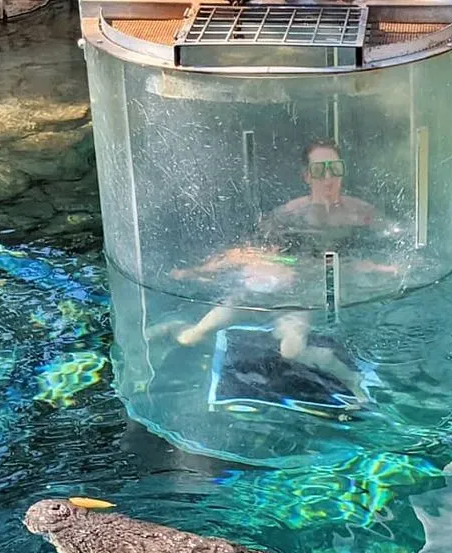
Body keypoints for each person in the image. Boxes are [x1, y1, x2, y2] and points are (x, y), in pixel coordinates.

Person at [167, 140, 399, 402]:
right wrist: (197, 271)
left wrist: (386, 268)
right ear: (307, 176)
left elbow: (392, 239)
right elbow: (249, 249)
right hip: (273, 285)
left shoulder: (359, 212)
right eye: (320, 170)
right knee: (191, 337)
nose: (329, 178)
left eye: (334, 169)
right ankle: (172, 327)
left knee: (291, 351)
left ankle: (351, 381)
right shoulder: (291, 214)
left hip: (305, 293)